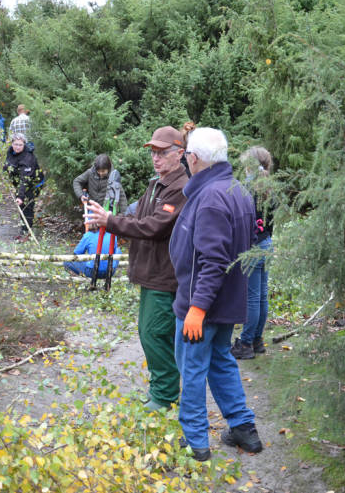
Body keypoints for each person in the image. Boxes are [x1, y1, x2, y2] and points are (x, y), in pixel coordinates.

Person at [169, 126, 263, 461]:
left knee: (192, 368)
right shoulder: (236, 189)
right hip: (226, 302)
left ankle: (195, 441)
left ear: (193, 159)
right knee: (221, 360)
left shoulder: (209, 197)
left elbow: (213, 260)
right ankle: (243, 427)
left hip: (203, 305)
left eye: (186, 156)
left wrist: (196, 307)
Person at [85, 126, 189, 414]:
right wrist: (105, 220)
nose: (156, 158)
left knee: (155, 333)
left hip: (164, 276)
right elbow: (136, 215)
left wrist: (112, 221)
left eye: (163, 152)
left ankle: (165, 396)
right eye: (153, 152)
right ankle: (160, 391)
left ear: (179, 154)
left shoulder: (179, 189)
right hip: (148, 273)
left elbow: (153, 227)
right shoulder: (157, 184)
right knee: (148, 332)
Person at [231, 146, 275, 360]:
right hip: (267, 243)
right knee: (262, 294)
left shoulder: (245, 187)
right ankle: (257, 340)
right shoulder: (270, 186)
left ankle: (247, 342)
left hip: (253, 247)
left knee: (253, 297)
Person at [3, 132, 44, 241]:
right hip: (20, 183)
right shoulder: (10, 151)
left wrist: (20, 196)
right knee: (21, 207)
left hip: (33, 183)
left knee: (27, 206)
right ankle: (23, 230)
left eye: (20, 145)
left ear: (24, 145)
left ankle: (26, 233)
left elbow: (25, 180)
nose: (17, 147)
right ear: (12, 143)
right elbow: (7, 164)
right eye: (15, 144)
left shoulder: (27, 158)